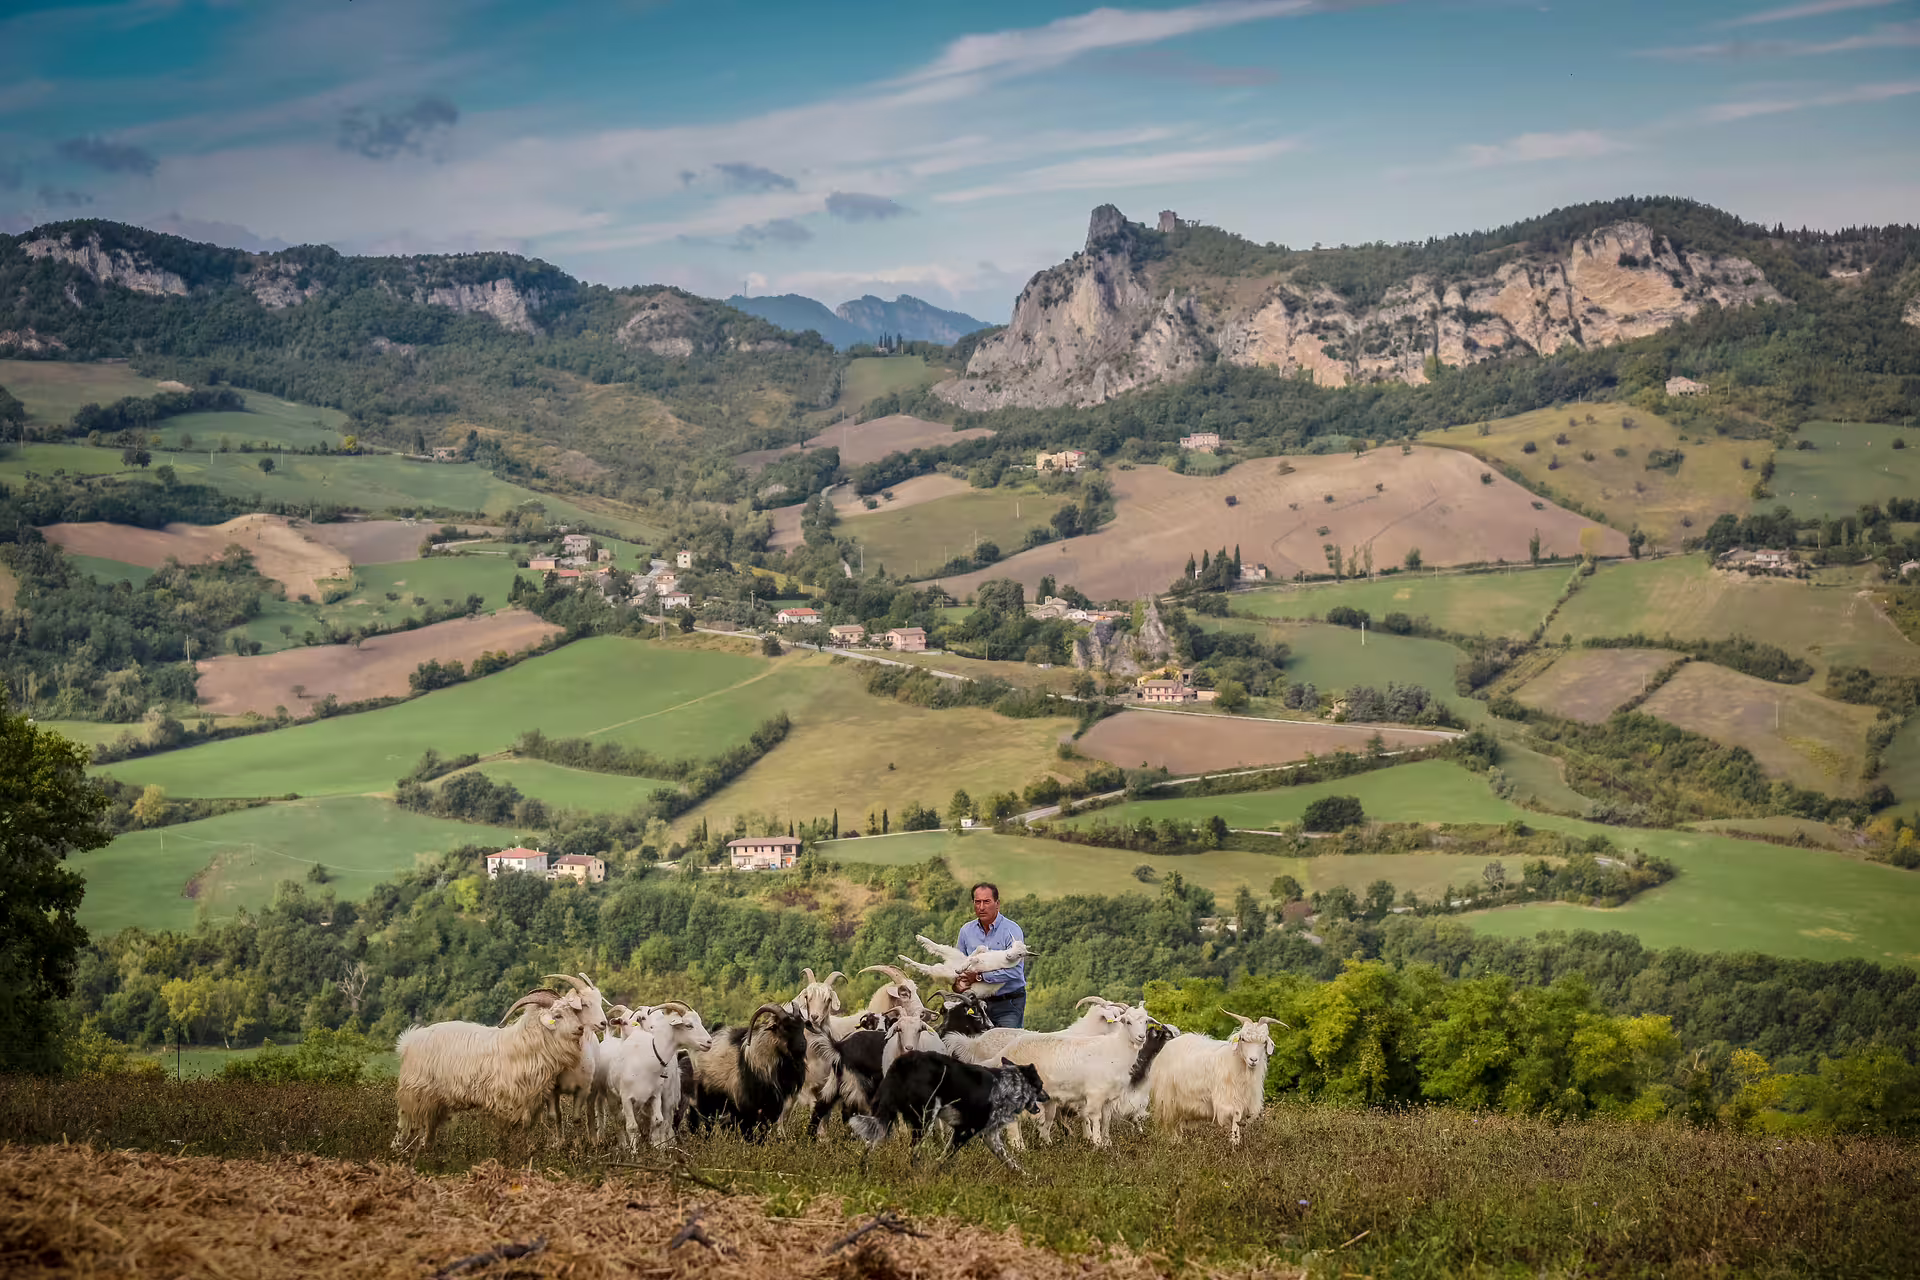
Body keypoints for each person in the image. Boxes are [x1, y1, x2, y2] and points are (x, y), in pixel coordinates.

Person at [953, 881, 1026, 1029]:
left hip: (1008, 1004)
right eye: (977, 902)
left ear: (997, 904)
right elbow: (958, 963)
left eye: (986, 902)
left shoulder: (1012, 931)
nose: (981, 907)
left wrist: (980, 977)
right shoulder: (966, 931)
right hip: (975, 1003)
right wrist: (956, 984)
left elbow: (1016, 971)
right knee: (972, 1048)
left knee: (1005, 1048)